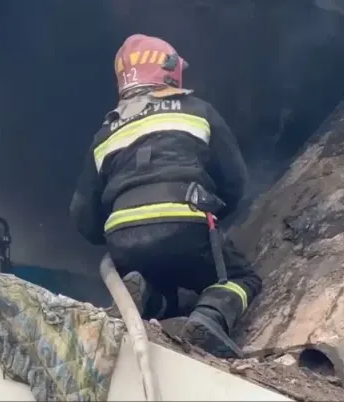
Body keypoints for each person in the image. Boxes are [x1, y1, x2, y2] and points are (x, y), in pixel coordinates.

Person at [69, 33, 262, 358]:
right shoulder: (198, 111)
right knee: (241, 277)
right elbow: (235, 181)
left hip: (124, 245)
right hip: (185, 225)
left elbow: (83, 217)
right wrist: (210, 215)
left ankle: (143, 294)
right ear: (169, 71)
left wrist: (123, 230)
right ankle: (210, 316)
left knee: (163, 286)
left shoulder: (105, 132)